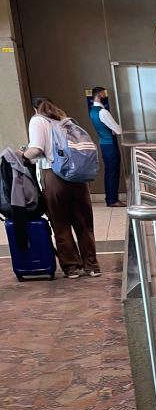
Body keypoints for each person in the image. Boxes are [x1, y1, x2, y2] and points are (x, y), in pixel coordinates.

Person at [22, 96, 101, 278]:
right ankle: (92, 266)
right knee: (84, 223)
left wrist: (23, 155)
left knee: (61, 223)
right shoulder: (65, 122)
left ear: (35, 109)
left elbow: (36, 149)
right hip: (78, 178)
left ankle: (72, 267)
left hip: (55, 177)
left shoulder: (38, 121)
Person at [89, 86, 123, 207]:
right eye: (103, 92)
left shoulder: (92, 111)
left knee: (109, 172)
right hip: (110, 144)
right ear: (99, 94)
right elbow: (118, 130)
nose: (105, 94)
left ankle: (110, 198)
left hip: (103, 143)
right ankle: (113, 199)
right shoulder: (103, 112)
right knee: (113, 171)